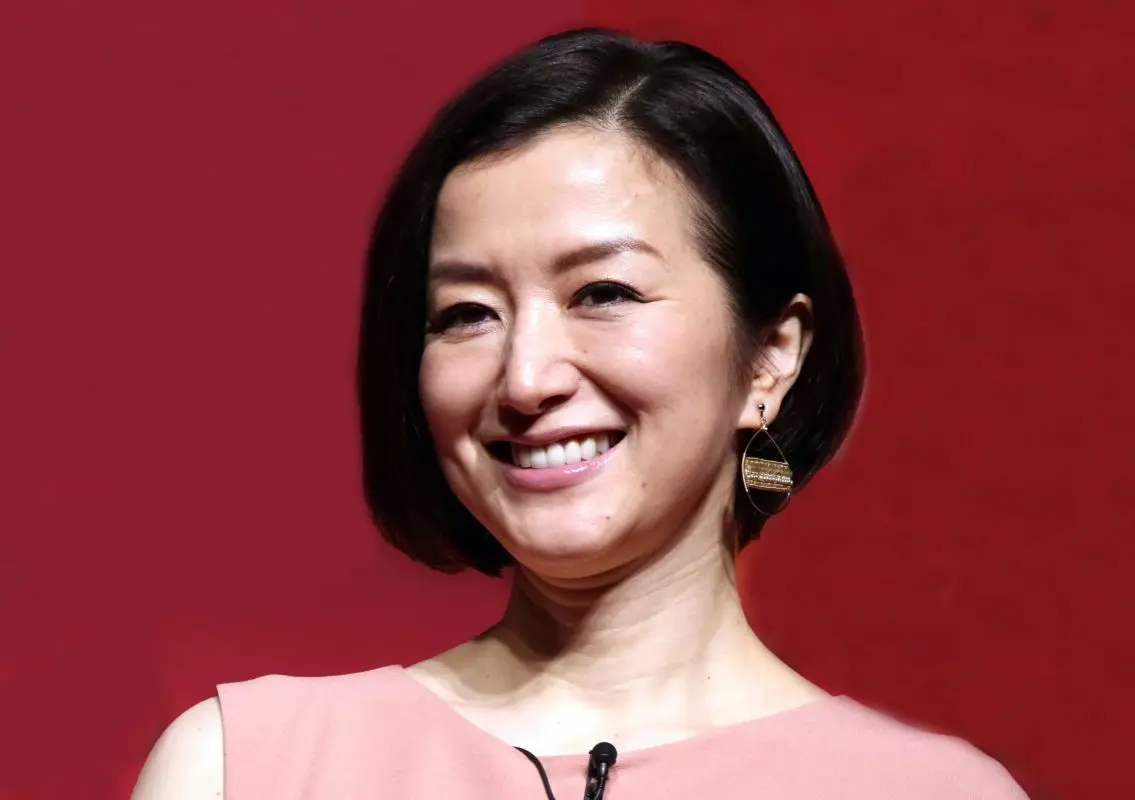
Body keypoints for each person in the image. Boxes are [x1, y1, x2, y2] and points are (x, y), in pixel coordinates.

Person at [132, 27, 1027, 799]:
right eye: (466, 313)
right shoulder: (242, 768)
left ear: (771, 356)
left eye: (602, 293)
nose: (524, 379)